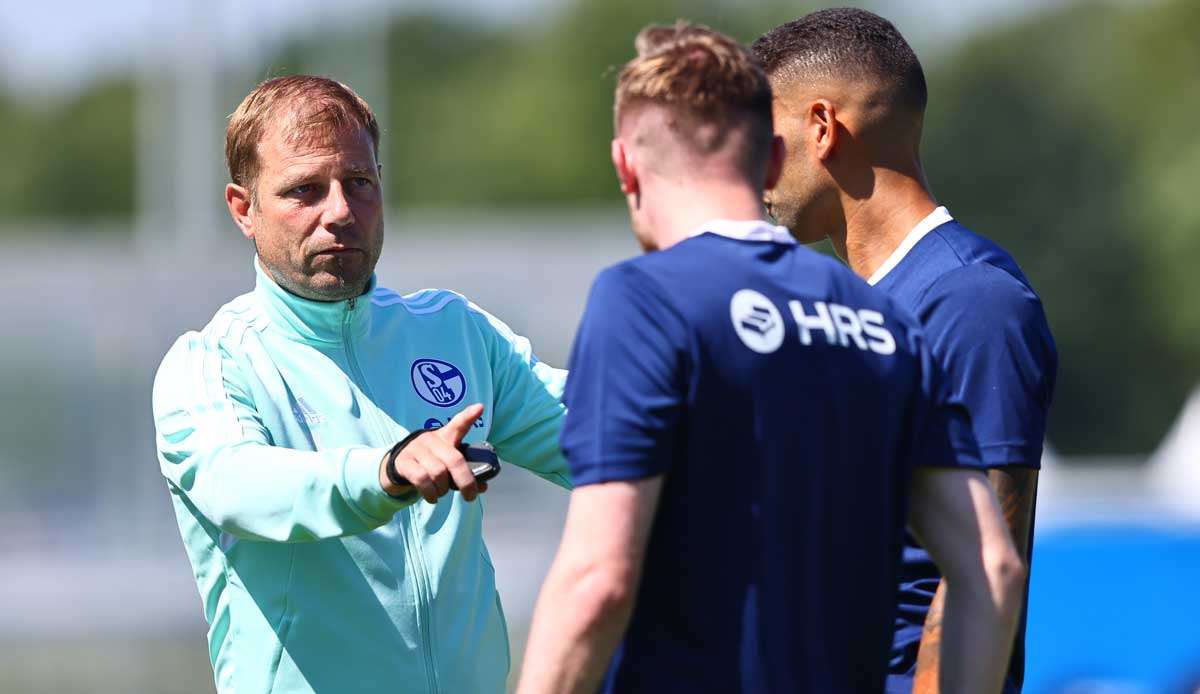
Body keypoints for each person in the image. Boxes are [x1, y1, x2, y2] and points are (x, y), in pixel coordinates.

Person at [516, 22, 1025, 694]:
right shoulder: (884, 320)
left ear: (626, 165)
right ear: (773, 160)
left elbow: (598, 579)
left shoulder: (646, 298)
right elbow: (992, 566)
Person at [151, 75, 570, 694]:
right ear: (244, 209)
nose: (340, 212)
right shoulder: (211, 363)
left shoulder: (455, 332)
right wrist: (384, 471)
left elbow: (607, 435)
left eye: (359, 183)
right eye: (304, 191)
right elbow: (240, 488)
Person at [752, 9, 1059, 693]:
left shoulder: (973, 301)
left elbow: (980, 568)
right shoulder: (832, 306)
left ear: (823, 129)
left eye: (763, 141)